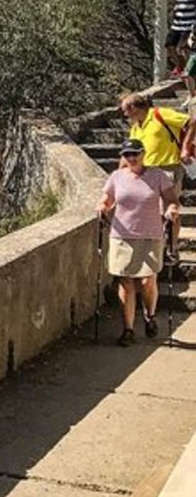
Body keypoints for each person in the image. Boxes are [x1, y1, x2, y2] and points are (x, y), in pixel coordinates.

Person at [98, 138, 179, 345]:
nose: (131, 158)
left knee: (147, 280)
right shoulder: (116, 177)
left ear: (143, 154)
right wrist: (102, 207)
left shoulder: (158, 176)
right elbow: (107, 200)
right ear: (122, 157)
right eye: (127, 154)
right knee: (125, 281)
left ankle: (150, 315)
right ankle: (128, 329)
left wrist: (171, 209)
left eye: (135, 153)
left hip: (150, 234)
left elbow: (171, 198)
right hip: (122, 235)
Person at [119, 92, 193, 260]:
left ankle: (171, 248)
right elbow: (127, 155)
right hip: (146, 172)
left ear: (133, 108)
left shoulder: (160, 114)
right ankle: (158, 247)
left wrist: (185, 147)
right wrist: (119, 176)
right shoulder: (136, 127)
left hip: (168, 168)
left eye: (125, 110)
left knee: (169, 209)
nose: (124, 114)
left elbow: (191, 121)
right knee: (153, 211)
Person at [167, 0, 196, 74]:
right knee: (169, 46)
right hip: (177, 25)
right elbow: (175, 7)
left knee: (183, 48)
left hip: (188, 25)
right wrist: (173, 12)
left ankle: (189, 70)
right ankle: (179, 66)